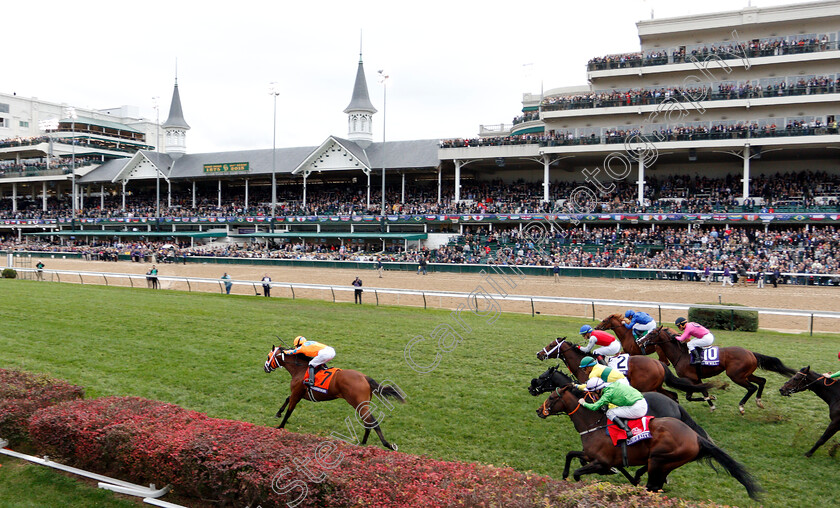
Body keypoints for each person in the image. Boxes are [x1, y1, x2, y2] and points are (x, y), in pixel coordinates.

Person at [579, 377, 648, 435]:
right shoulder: (611, 385)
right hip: (641, 402)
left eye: (593, 393)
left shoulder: (607, 394)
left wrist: (583, 403)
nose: (593, 395)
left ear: (598, 390)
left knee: (610, 412)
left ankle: (626, 430)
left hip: (638, 408)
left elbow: (594, 407)